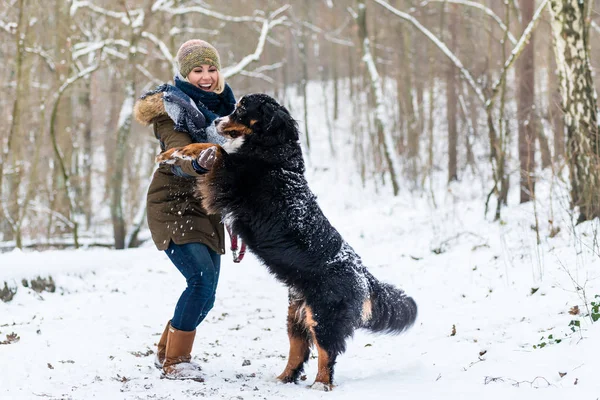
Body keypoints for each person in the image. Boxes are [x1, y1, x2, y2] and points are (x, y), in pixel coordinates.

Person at [133, 39, 236, 380]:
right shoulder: (170, 109)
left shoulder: (227, 111)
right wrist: (200, 162)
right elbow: (178, 155)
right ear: (184, 73)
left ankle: (165, 351)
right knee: (200, 281)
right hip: (173, 205)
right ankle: (176, 364)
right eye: (197, 70)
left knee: (207, 297)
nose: (205, 76)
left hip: (208, 210)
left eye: (211, 69)